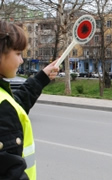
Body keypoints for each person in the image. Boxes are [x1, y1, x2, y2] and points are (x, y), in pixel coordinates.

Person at [0, 20, 59, 180]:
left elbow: (17, 104)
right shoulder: (2, 108)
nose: (21, 61)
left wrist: (41, 78)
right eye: (18, 53)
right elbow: (11, 173)